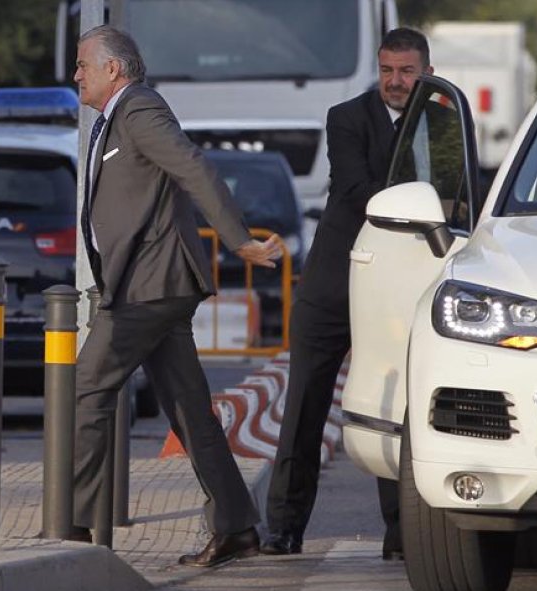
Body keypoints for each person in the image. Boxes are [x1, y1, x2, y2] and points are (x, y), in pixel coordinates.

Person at [68, 25, 282, 568]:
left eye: (82, 65)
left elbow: (194, 167)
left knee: (86, 388)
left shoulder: (138, 110)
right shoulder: (114, 118)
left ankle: (75, 532)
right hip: (151, 284)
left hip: (150, 285)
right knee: (189, 409)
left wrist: (240, 242)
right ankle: (236, 527)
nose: (76, 76)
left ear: (112, 69)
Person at [261, 28, 433, 562]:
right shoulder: (347, 117)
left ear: (425, 70)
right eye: (387, 70)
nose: (395, 81)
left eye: (406, 71)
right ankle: (284, 529)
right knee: (305, 404)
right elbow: (359, 190)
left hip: (402, 282)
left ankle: (402, 533)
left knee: (396, 407)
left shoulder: (442, 120)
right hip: (336, 278)